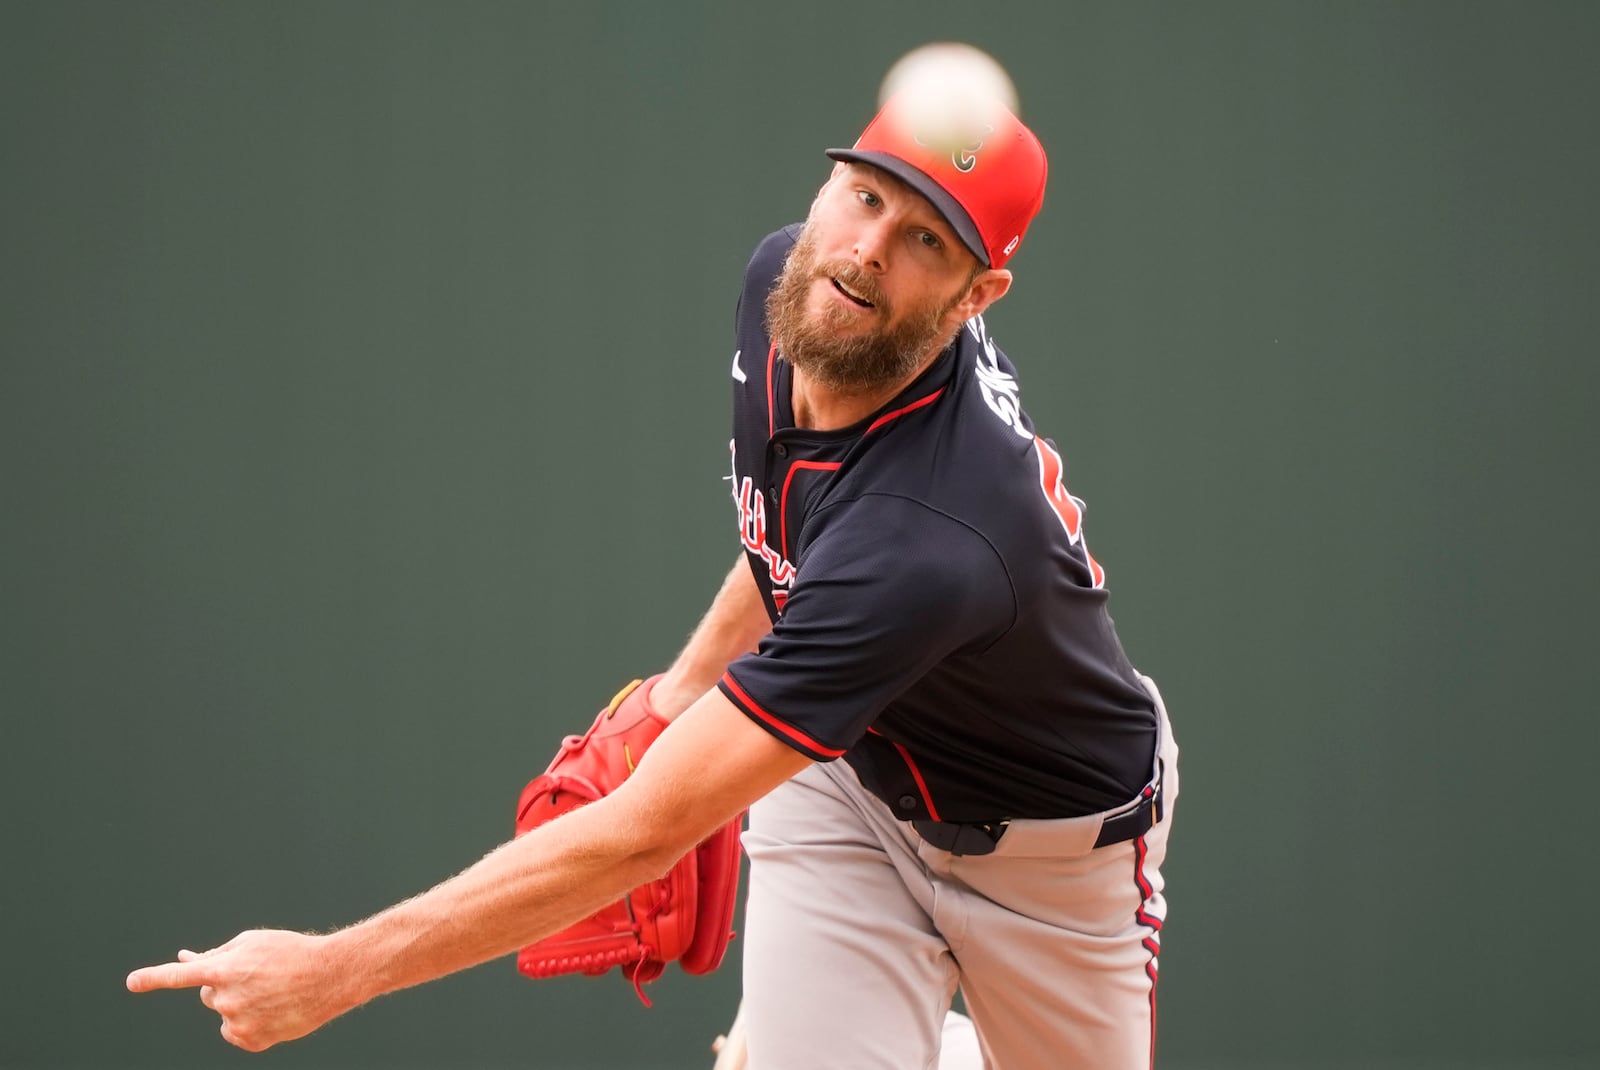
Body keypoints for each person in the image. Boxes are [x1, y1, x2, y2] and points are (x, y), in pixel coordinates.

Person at [128, 91, 1179, 1070]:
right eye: (865, 196)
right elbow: (795, 544)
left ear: (975, 293)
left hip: (1050, 854)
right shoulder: (788, 297)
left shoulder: (930, 541)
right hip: (845, 768)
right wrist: (675, 697)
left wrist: (333, 971)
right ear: (825, 184)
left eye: (924, 240)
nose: (865, 251)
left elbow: (644, 830)